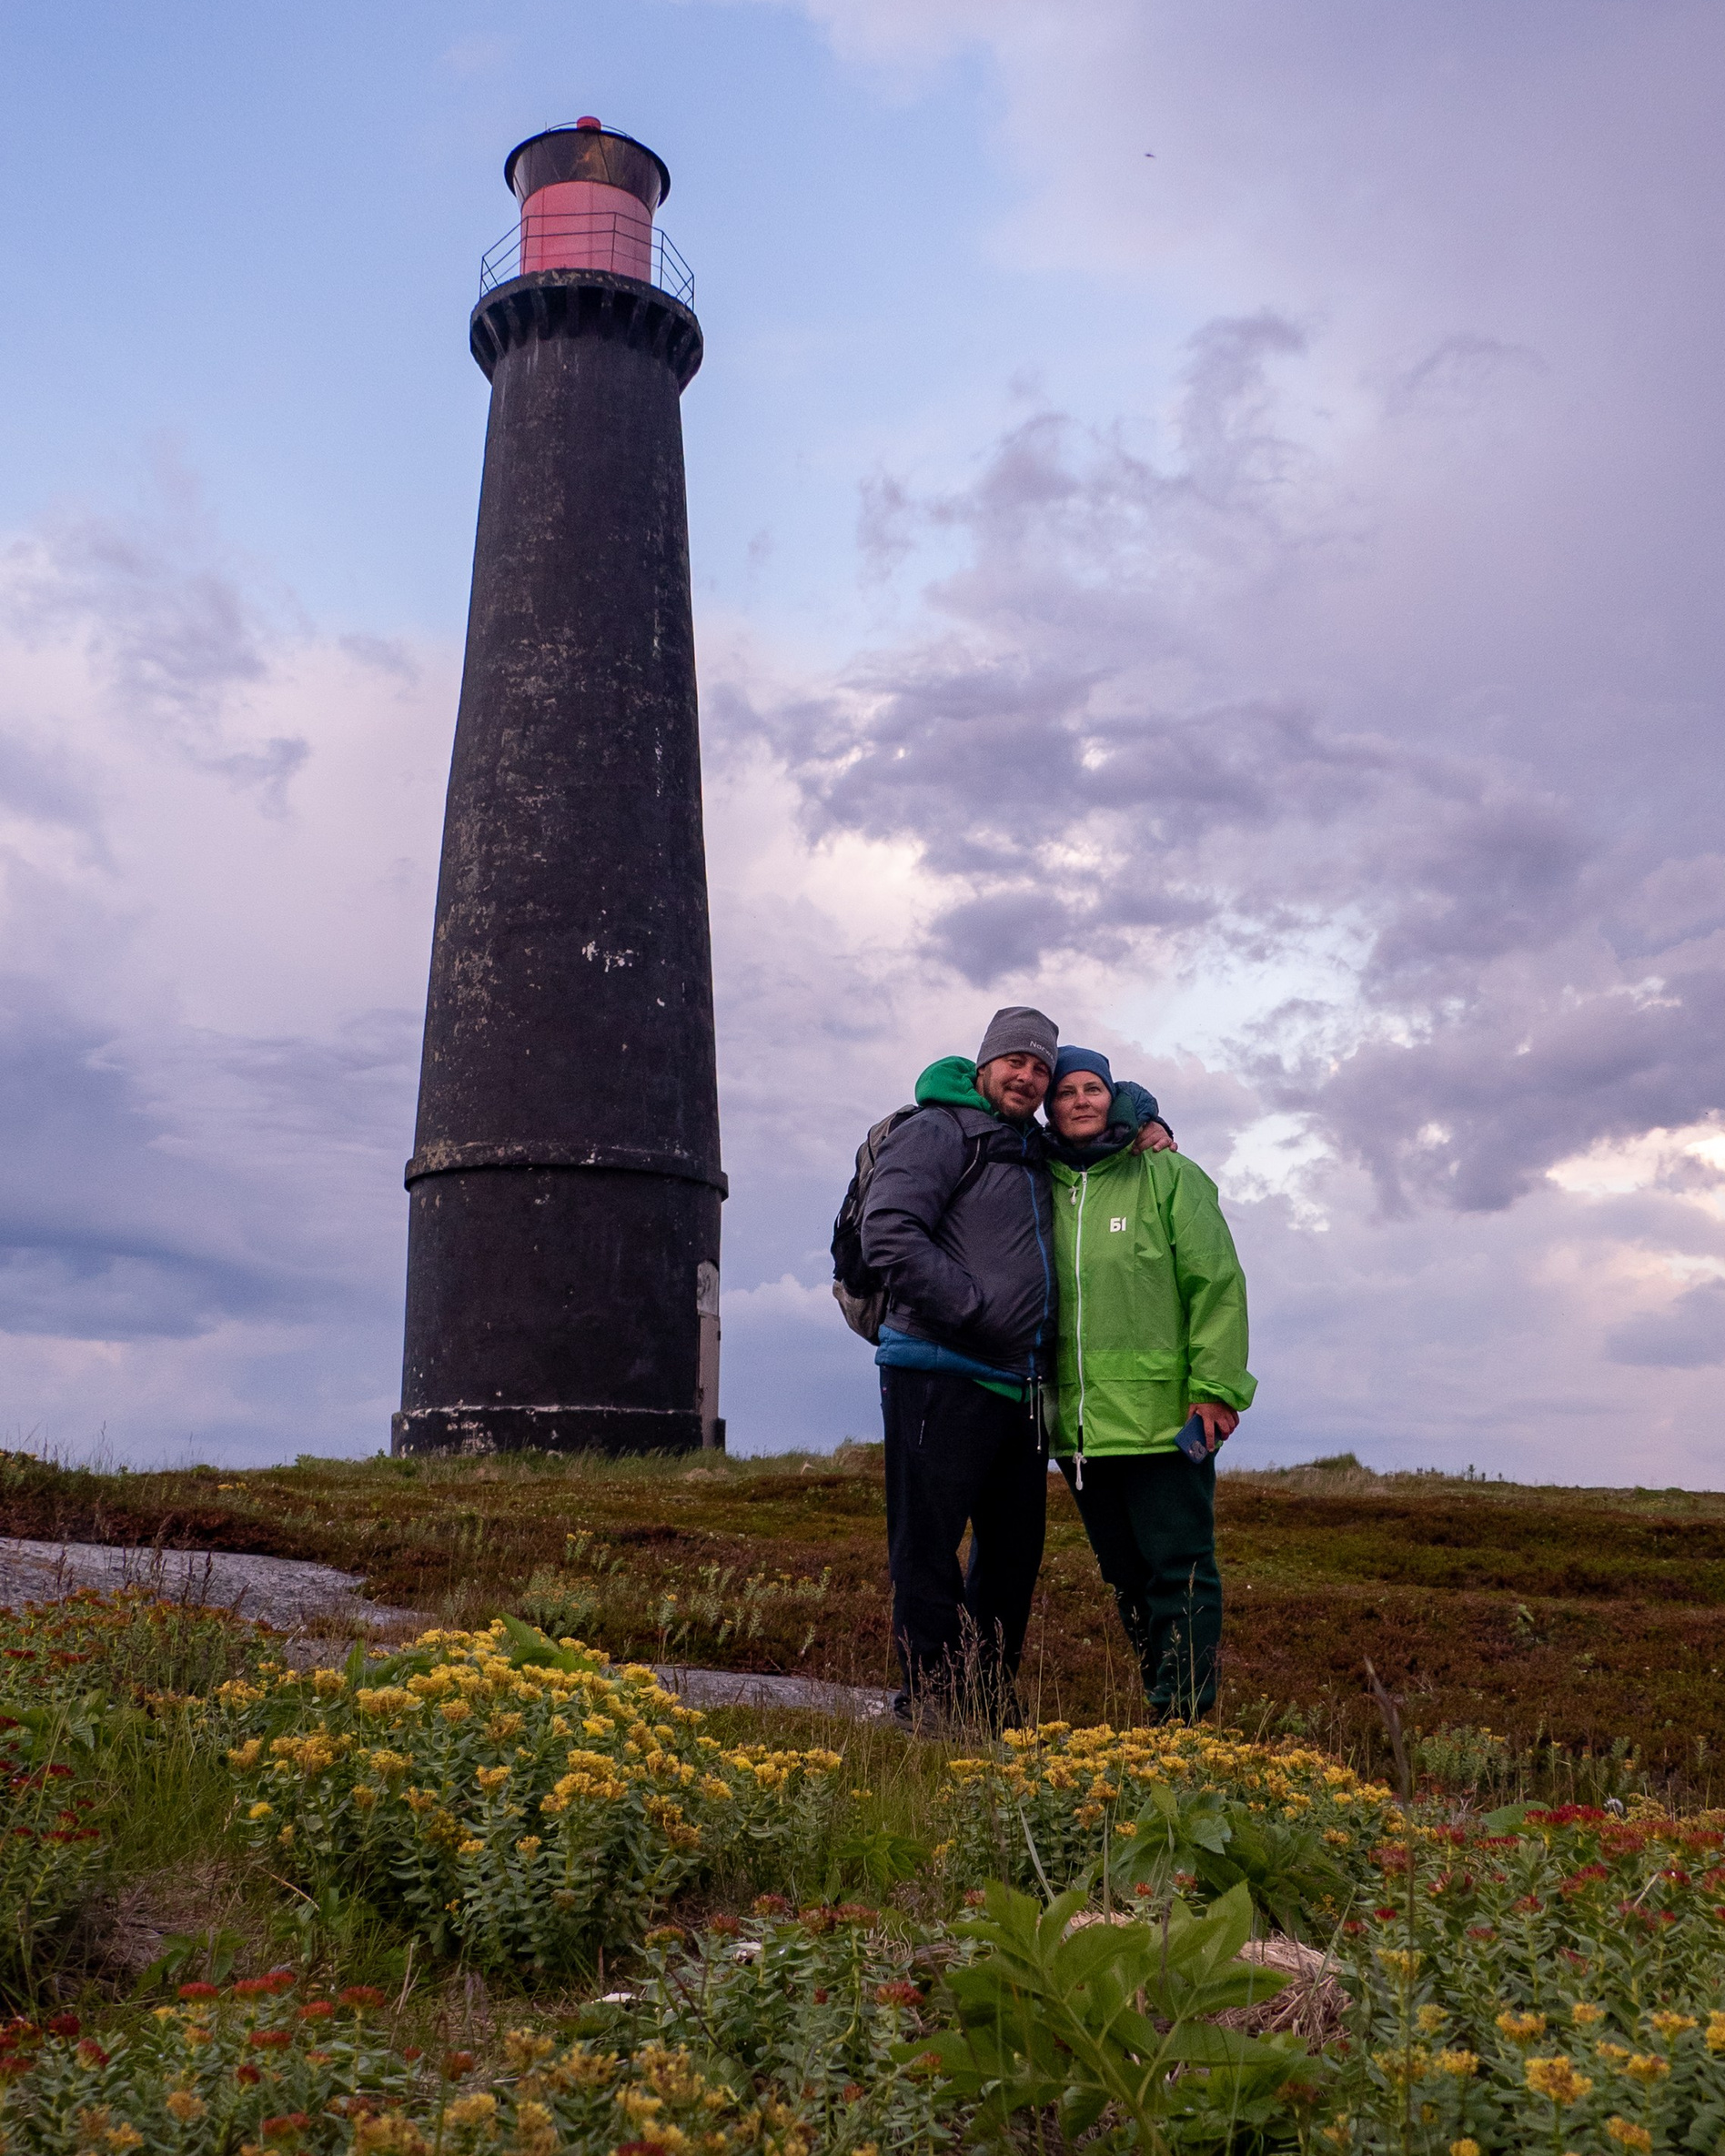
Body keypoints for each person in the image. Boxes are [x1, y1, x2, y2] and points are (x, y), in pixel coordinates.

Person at [859, 1008, 1171, 1727]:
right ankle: (930, 1699)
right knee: (927, 1546)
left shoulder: (1032, 1146)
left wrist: (1150, 1115)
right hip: (938, 1368)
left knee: (1010, 1557)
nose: (1027, 1076)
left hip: (1017, 1385)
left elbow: (1107, 1112)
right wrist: (971, 1307)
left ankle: (987, 1700)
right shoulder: (938, 1130)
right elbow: (889, 1231)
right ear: (983, 1065)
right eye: (1014, 1062)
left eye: (1040, 1067)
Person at [1042, 1045, 1255, 1722]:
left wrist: (1215, 1391)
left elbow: (1216, 1284)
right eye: (1066, 1090)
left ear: (1115, 1098)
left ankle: (1183, 1718)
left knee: (1181, 1573)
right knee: (1126, 1579)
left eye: (1094, 1089)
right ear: (1049, 1106)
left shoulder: (1167, 1173)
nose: (1081, 1100)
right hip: (1081, 1431)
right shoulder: (1036, 1180)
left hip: (1167, 1425)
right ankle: (1161, 1702)